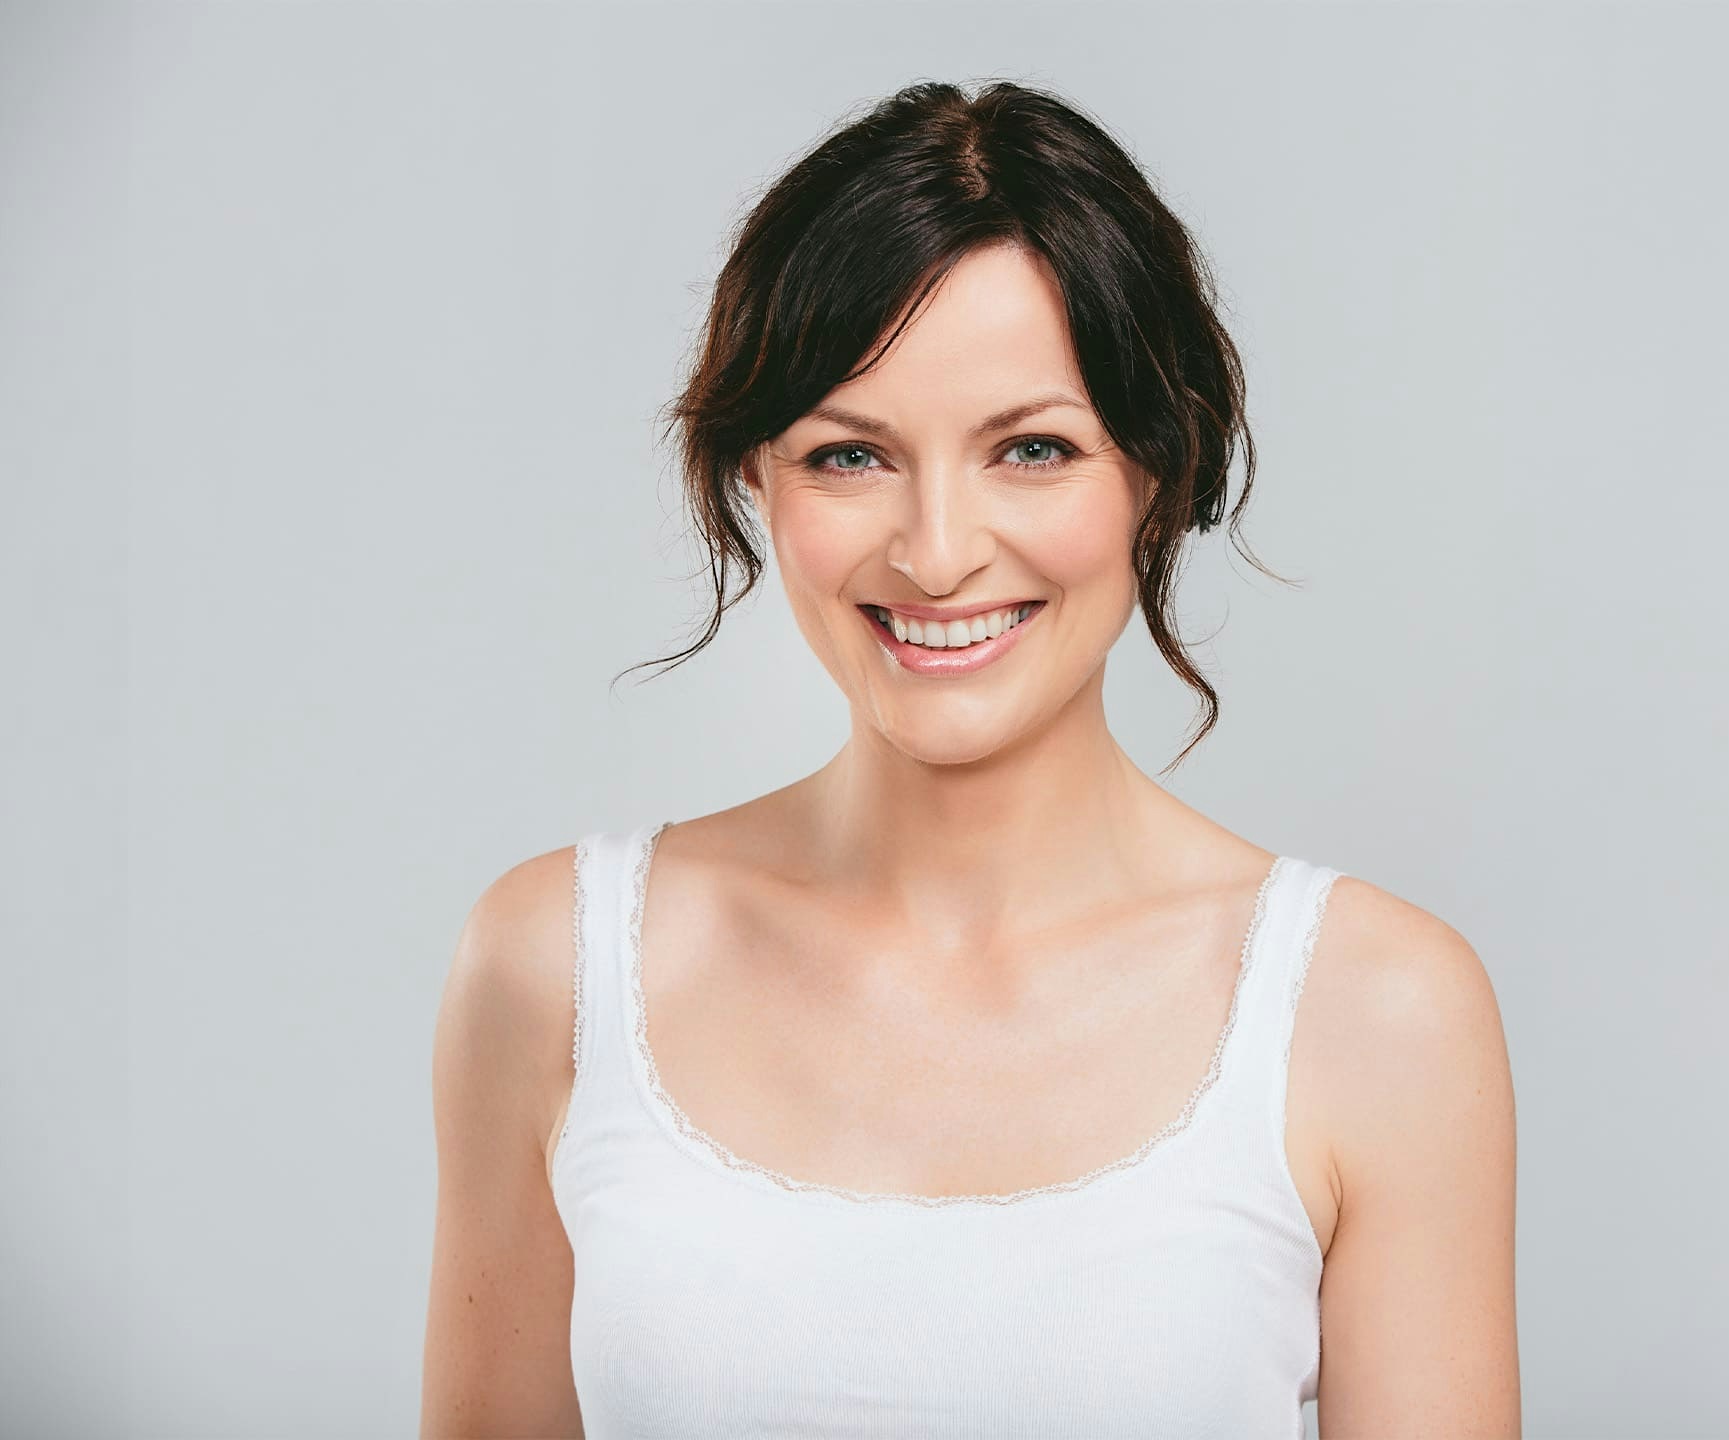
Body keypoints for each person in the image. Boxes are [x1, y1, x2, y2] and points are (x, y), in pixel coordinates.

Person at [421, 78, 1519, 1439]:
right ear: (755, 479)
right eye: (850, 456)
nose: (937, 551)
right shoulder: (550, 969)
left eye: (1035, 448)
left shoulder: (1379, 1010)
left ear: (1158, 470)